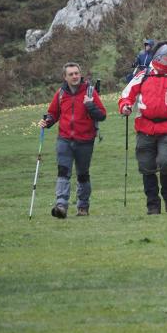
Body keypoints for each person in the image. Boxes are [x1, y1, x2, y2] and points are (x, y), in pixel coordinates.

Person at [119, 42, 167, 214]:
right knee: (146, 166)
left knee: (166, 163)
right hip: (144, 127)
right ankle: (152, 204)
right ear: (157, 59)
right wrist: (125, 106)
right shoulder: (143, 75)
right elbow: (127, 95)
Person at [39, 62, 106, 218]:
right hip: (65, 139)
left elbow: (102, 115)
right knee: (63, 172)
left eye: (76, 73)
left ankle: (83, 207)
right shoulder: (61, 93)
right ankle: (61, 205)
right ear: (65, 77)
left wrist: (90, 105)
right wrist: (47, 122)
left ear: (80, 74)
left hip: (85, 140)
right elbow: (53, 113)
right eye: (71, 74)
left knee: (83, 174)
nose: (75, 76)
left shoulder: (90, 91)